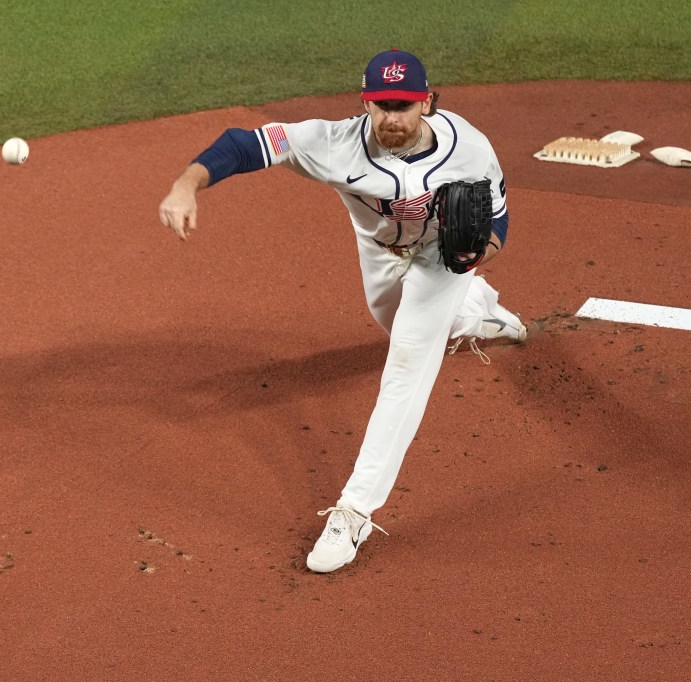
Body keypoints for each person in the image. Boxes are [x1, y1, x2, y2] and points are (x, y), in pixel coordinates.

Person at [159, 48, 527, 573]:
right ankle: (479, 316)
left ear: (427, 101)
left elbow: (498, 222)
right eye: (381, 105)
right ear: (364, 103)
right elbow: (247, 144)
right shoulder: (332, 144)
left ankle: (353, 512)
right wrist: (185, 184)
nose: (391, 117)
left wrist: (474, 253)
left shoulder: (469, 148)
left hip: (441, 261)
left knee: (406, 363)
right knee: (392, 321)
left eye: (403, 105)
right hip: (378, 251)